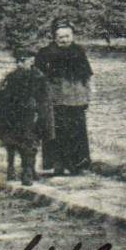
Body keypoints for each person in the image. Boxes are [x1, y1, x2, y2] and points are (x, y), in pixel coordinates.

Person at [35, 21, 93, 176]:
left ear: (72, 37)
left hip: (76, 98)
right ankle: (57, 166)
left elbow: (87, 76)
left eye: (67, 36)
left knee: (77, 131)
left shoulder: (78, 52)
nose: (64, 40)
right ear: (54, 37)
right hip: (54, 100)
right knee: (56, 133)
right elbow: (37, 77)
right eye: (60, 37)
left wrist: (88, 95)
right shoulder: (45, 53)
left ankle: (78, 165)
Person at [0, 45, 51, 184]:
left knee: (30, 142)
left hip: (31, 115)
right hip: (15, 116)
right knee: (18, 142)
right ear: (18, 62)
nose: (28, 63)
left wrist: (41, 113)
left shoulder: (38, 77)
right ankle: (17, 169)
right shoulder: (12, 77)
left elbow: (44, 98)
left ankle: (28, 170)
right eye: (24, 61)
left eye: (30, 60)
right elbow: (3, 99)